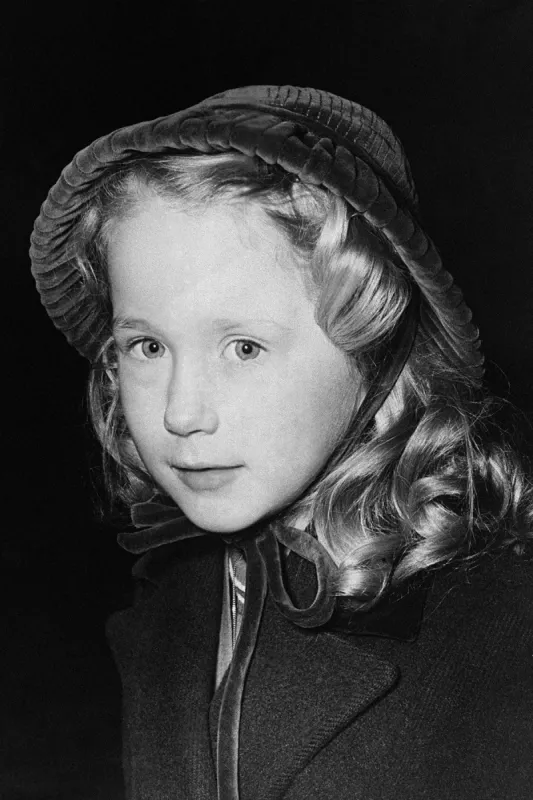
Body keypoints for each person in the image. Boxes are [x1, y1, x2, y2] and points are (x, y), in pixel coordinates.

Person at [30, 85, 533, 800]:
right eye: (146, 345)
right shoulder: (172, 613)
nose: (180, 412)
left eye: (242, 347)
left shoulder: (501, 637)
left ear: (373, 345)